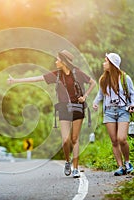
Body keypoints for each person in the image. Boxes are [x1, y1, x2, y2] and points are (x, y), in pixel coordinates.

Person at [8, 50, 96, 178]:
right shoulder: (57, 75)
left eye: (57, 59)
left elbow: (92, 82)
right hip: (64, 109)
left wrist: (85, 96)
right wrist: (15, 80)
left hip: (78, 107)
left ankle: (76, 168)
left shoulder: (77, 72)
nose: (55, 62)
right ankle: (67, 161)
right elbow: (38, 78)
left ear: (63, 61)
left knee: (74, 139)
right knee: (66, 140)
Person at [93, 53, 134, 176]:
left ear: (112, 64)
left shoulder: (125, 78)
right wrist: (96, 103)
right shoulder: (103, 79)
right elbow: (100, 94)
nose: (103, 63)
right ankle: (120, 166)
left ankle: (128, 162)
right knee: (114, 141)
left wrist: (133, 105)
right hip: (109, 112)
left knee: (121, 139)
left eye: (106, 61)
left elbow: (132, 94)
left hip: (123, 110)